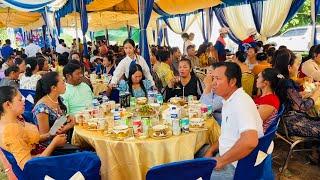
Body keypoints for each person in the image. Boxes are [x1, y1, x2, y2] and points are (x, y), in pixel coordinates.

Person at [203, 62, 263, 179]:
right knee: (194, 153)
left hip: (236, 165)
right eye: (213, 78)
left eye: (218, 79)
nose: (213, 83)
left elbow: (250, 141)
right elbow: (228, 136)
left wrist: (221, 160)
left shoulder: (241, 102)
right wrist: (211, 150)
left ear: (232, 82)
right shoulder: (229, 99)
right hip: (227, 155)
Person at [0, 86, 67, 169]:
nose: (24, 102)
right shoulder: (10, 130)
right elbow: (28, 165)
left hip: (44, 154)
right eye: (20, 100)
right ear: (8, 104)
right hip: (43, 166)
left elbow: (28, 140)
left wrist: (50, 134)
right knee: (85, 157)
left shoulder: (14, 118)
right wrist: (54, 144)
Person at [273, 48, 320, 138]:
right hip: (291, 123)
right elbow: (302, 107)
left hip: (282, 121)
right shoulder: (286, 83)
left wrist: (301, 95)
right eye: (297, 64)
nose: (298, 68)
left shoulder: (278, 78)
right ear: (289, 67)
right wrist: (317, 93)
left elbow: (288, 98)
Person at [33, 72, 75, 141]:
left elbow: (57, 124)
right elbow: (45, 137)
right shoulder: (42, 108)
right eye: (63, 82)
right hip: (52, 147)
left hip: (63, 139)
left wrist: (67, 118)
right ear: (54, 88)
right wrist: (69, 126)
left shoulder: (57, 99)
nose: (66, 85)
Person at [254, 68, 280, 132]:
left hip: (254, 134)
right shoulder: (264, 96)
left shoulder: (270, 100)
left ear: (266, 82)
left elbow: (254, 121)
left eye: (259, 77)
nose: (256, 80)